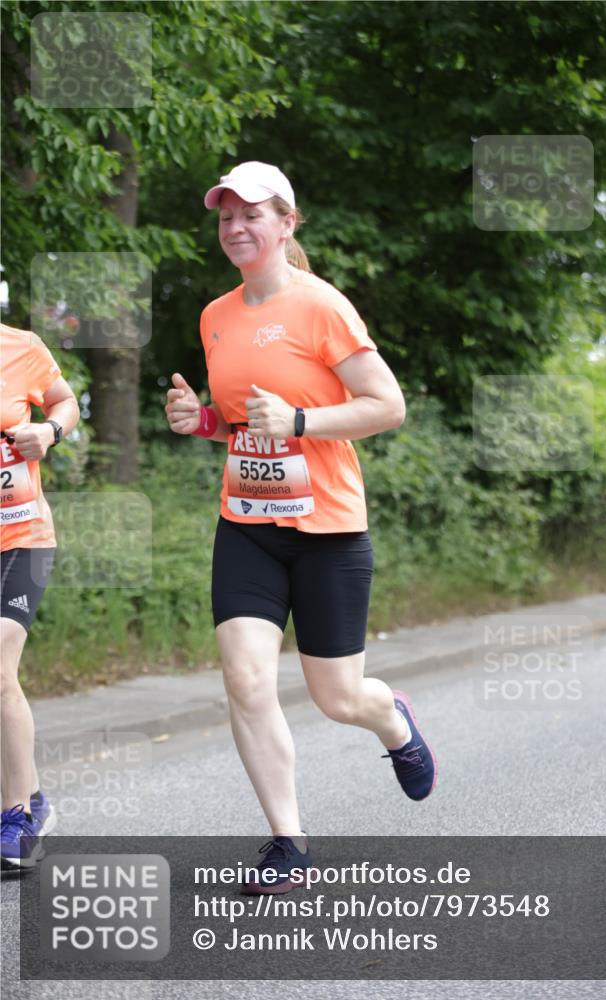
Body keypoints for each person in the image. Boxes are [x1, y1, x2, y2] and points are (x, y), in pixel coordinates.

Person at [165, 161, 437, 894]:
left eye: (252, 214)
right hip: (248, 523)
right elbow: (246, 424)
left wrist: (301, 420)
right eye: (226, 217)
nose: (236, 228)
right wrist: (205, 424)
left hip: (329, 531)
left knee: (336, 697)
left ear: (287, 224)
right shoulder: (215, 316)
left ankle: (392, 720)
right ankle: (289, 843)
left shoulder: (322, 306)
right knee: (246, 678)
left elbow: (387, 405)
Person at [0, 321, 80, 869]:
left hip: (21, 536)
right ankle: (33, 798)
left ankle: (15, 818)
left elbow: (66, 401)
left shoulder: (21, 346)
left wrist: (49, 431)